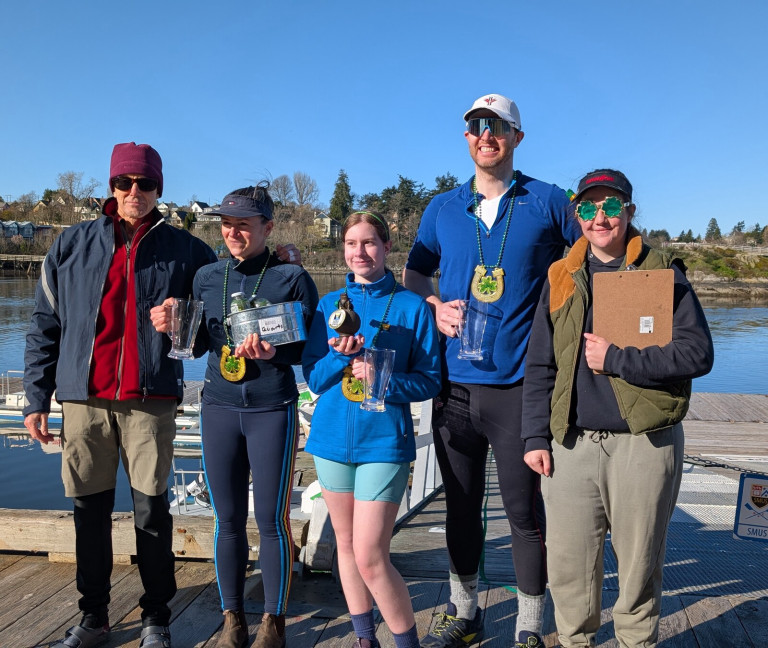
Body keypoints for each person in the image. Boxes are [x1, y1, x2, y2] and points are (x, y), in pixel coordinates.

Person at [403, 94, 582, 648]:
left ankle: (529, 625)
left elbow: (591, 260)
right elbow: (413, 274)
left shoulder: (549, 201)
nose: (486, 135)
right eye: (476, 126)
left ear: (517, 137)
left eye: (497, 126)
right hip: (454, 386)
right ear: (466, 139)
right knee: (460, 507)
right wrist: (435, 306)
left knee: (524, 514)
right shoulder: (441, 208)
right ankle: (466, 612)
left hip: (520, 388)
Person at [22, 142, 218, 648]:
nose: (135, 192)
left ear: (159, 189)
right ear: (110, 187)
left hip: (150, 401)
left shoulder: (190, 251)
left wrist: (186, 325)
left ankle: (157, 617)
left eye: (145, 184)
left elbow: (216, 326)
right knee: (89, 514)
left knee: (153, 513)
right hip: (83, 401)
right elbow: (44, 326)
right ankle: (94, 617)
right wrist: (37, 397)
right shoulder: (70, 245)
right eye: (125, 182)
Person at [521, 169, 714, 647]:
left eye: (610, 206)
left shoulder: (662, 271)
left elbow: (697, 354)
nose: (599, 217)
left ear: (629, 211)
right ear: (577, 216)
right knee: (568, 570)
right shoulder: (562, 275)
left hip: (644, 447)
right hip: (571, 447)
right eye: (587, 208)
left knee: (638, 570)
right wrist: (533, 437)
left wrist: (617, 360)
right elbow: (540, 362)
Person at [302, 211, 441, 648]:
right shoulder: (328, 306)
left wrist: (383, 379)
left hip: (384, 441)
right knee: (345, 546)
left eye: (369, 243)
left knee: (371, 555)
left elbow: (430, 380)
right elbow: (314, 379)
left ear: (386, 249)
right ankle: (365, 639)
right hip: (329, 441)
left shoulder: (412, 306)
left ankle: (406, 643)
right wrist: (341, 358)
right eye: (350, 244)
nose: (359, 252)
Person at [187, 183, 318, 648]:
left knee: (270, 519)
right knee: (226, 518)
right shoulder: (207, 276)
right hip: (219, 406)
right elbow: (199, 343)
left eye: (244, 224)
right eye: (226, 223)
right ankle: (232, 618)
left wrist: (274, 351)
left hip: (271, 408)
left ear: (267, 227)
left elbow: (306, 350)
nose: (233, 232)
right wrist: (169, 324)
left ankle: (272, 622)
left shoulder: (292, 278)